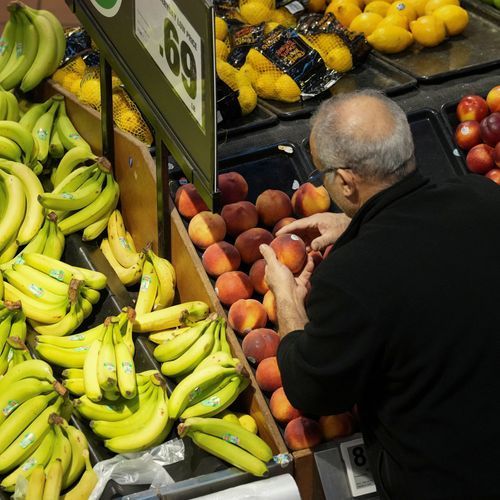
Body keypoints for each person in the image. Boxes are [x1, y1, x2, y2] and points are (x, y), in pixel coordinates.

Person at [259, 90, 500, 500]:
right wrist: (353, 221)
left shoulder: (349, 277)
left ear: (347, 183)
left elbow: (311, 390)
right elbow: (429, 256)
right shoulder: (484, 197)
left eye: (322, 173)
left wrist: (287, 301)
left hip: (448, 479)